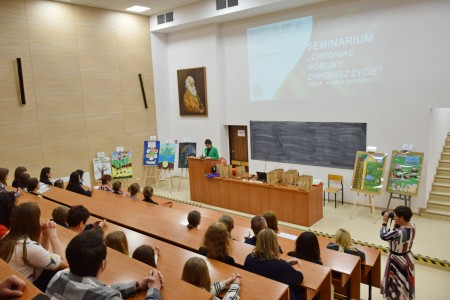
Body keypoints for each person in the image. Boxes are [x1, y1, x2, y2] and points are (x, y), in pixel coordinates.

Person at [46, 229, 164, 300]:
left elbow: (97, 290)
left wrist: (138, 285)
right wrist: (154, 290)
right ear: (103, 265)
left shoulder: (59, 275)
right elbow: (102, 293)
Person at [0, 202, 68, 291]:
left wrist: (45, 235)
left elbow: (40, 253)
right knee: (61, 272)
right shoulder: (29, 247)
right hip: (25, 288)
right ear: (34, 222)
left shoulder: (7, 235)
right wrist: (53, 236)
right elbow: (63, 264)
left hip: (10, 282)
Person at [244, 229, 303, 300]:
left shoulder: (249, 258)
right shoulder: (281, 266)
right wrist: (286, 265)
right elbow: (299, 278)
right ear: (275, 244)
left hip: (256, 293)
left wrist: (286, 263)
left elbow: (267, 266)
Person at [380, 206, 416, 300]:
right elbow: (399, 236)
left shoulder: (398, 232)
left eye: (395, 216)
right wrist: (395, 222)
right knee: (404, 283)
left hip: (397, 260)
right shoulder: (412, 225)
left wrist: (384, 222)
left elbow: (384, 236)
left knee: (396, 284)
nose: (394, 218)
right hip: (408, 258)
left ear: (401, 218)